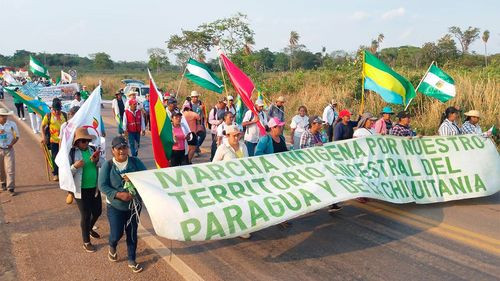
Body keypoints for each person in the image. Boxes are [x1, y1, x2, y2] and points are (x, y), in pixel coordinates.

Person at [98, 136, 147, 273]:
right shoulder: (108, 166)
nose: (122, 151)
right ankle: (112, 245)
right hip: (115, 207)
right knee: (117, 233)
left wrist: (135, 180)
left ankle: (132, 259)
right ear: (113, 150)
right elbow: (102, 186)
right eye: (119, 148)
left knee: (132, 233)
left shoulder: (135, 162)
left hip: (133, 206)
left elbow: (147, 176)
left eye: (124, 147)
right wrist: (119, 195)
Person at [70, 127, 104, 252]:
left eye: (87, 140)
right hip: (80, 190)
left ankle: (89, 228)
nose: (85, 143)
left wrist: (97, 160)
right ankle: (86, 242)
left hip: (94, 188)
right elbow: (65, 173)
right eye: (83, 141)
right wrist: (74, 166)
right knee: (85, 215)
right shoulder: (72, 153)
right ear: (77, 142)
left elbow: (103, 164)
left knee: (98, 211)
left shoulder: (93, 150)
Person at [254, 117, 292, 228]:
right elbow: (257, 154)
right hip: (270, 173)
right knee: (275, 195)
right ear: (273, 128)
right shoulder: (265, 139)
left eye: (281, 126)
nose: (281, 128)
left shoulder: (282, 138)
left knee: (283, 194)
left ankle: (282, 218)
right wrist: (271, 159)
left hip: (282, 171)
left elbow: (286, 152)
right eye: (279, 126)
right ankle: (276, 218)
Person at [41, 98, 68, 181]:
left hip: (63, 141)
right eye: (55, 110)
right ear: (52, 108)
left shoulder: (64, 115)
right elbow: (42, 127)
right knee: (55, 157)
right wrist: (43, 137)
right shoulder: (48, 116)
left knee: (64, 157)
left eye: (58, 110)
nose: (57, 112)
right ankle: (56, 174)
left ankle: (63, 173)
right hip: (53, 140)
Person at [60, 106, 81, 204]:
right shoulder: (64, 126)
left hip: (79, 151)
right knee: (69, 171)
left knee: (78, 171)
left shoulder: (82, 125)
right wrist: (61, 153)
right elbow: (61, 140)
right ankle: (70, 192)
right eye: (72, 114)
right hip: (68, 152)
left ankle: (76, 191)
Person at [0, 108, 19, 196]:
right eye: (3, 116)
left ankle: (11, 187)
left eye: (5, 116)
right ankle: (3, 182)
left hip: (9, 149)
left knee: (10, 168)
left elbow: (16, 136)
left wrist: (11, 144)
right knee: (1, 169)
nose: (4, 117)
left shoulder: (11, 125)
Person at [183, 91, 207, 155]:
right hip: (191, 123)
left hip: (200, 122)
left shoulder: (201, 103)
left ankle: (196, 147)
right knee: (194, 136)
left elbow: (204, 113)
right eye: (193, 97)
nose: (195, 98)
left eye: (196, 97)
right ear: (191, 97)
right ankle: (193, 150)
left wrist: (204, 121)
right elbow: (184, 112)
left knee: (203, 135)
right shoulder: (188, 105)